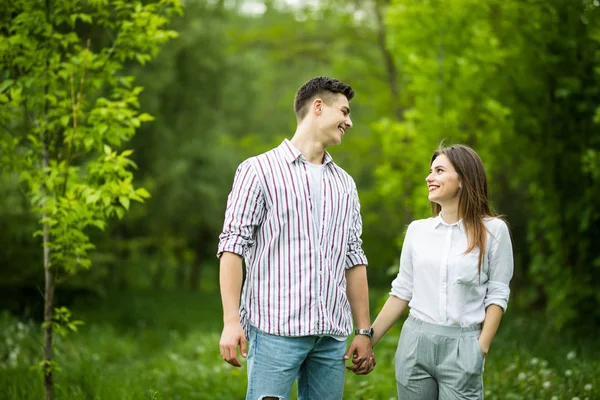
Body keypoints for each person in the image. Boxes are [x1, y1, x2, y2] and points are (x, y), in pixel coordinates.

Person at [217, 77, 375, 400]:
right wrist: (231, 321)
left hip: (330, 340)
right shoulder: (258, 171)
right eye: (344, 112)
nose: (349, 121)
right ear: (318, 107)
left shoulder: (345, 185)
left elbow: (353, 258)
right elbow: (233, 247)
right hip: (275, 333)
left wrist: (363, 331)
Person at [370, 144, 514, 399]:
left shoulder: (494, 231)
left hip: (463, 346)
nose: (429, 177)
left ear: (463, 179)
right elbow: (402, 290)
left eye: (439, 171)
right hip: (415, 344)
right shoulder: (417, 230)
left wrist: (480, 349)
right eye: (430, 171)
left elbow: (498, 293)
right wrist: (368, 340)